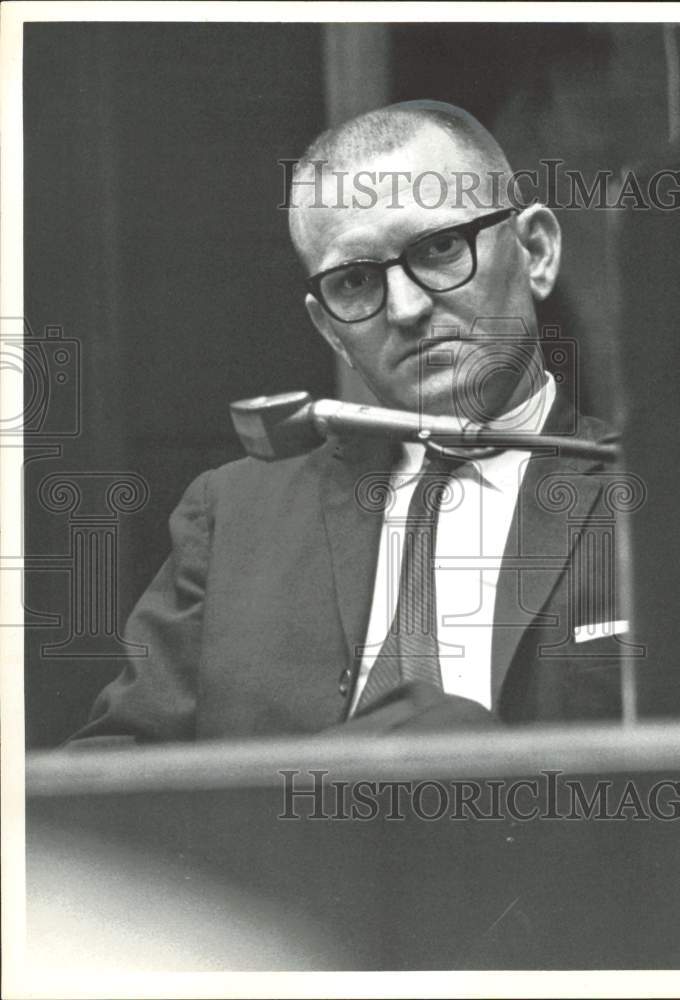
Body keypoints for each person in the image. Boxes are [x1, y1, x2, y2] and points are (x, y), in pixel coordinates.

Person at [70, 100, 628, 745]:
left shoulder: (655, 493)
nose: (408, 306)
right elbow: (111, 782)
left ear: (536, 251)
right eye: (357, 281)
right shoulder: (233, 515)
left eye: (443, 247)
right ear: (329, 329)